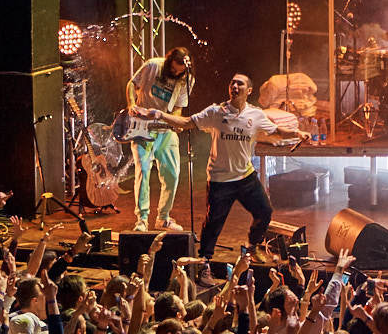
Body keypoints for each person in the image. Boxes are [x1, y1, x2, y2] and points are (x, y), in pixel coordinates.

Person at [150, 72, 307, 263]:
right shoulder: (216, 112)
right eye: (232, 83)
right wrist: (160, 114)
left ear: (248, 90)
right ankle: (204, 262)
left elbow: (276, 130)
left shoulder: (255, 114)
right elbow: (187, 122)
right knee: (213, 224)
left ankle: (251, 248)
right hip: (220, 180)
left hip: (245, 177)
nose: (234, 86)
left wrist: (297, 133)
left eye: (239, 84)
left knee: (264, 212)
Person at [124, 46, 195, 233]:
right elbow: (132, 84)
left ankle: (163, 218)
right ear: (168, 62)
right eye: (173, 70)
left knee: (172, 174)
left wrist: (176, 121)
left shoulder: (187, 80)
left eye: (179, 72)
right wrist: (131, 104)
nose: (175, 74)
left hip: (165, 129)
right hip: (142, 126)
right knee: (143, 171)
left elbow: (179, 107)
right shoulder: (153, 66)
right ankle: (142, 219)